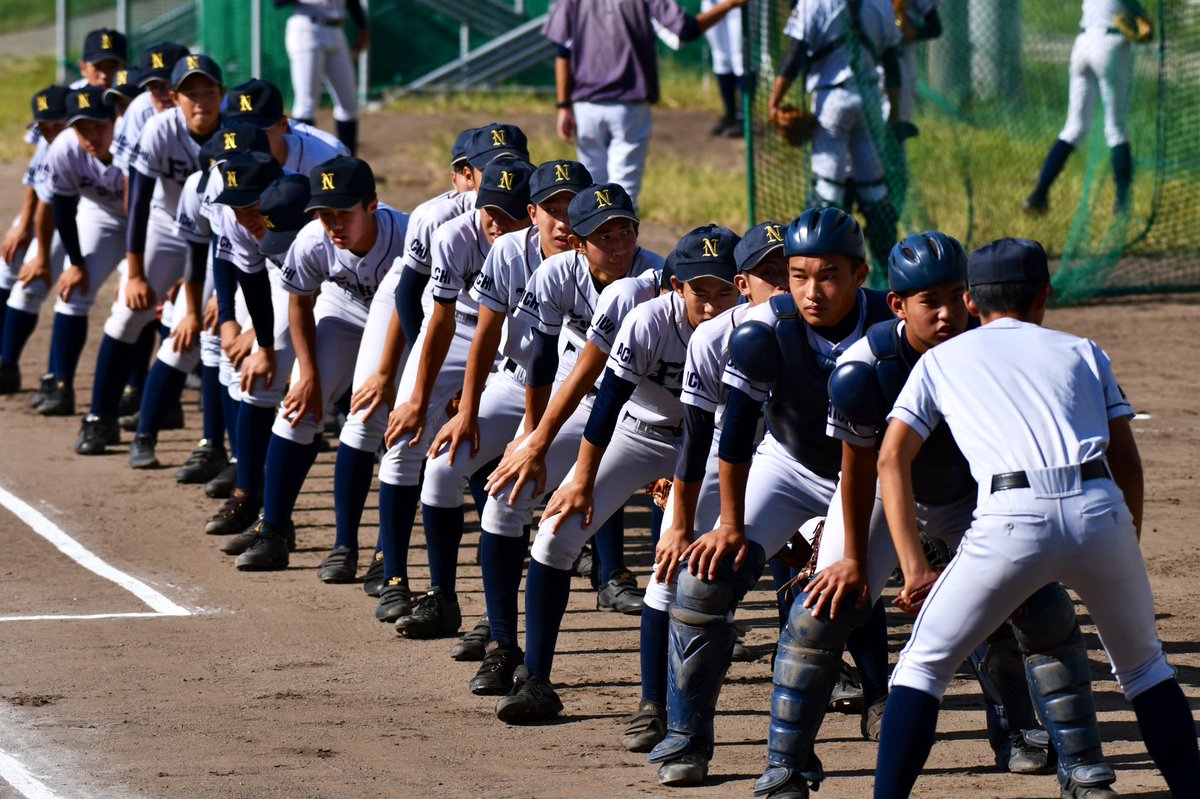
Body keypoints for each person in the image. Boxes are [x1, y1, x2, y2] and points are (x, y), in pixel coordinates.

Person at [872, 237, 1199, 798]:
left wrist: (913, 566)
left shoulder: (940, 360)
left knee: (922, 669)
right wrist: (1122, 545)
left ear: (971, 302)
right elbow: (1127, 463)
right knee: (1145, 669)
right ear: (1045, 294)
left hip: (1011, 516)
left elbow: (890, 457)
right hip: (1101, 507)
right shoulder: (1083, 350)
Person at [648, 206, 894, 787]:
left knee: (821, 613)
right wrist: (729, 524)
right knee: (705, 576)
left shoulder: (892, 320)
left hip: (873, 481)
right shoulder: (764, 329)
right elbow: (732, 436)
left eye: (829, 275)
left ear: (860, 275)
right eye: (799, 274)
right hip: (789, 464)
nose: (811, 290)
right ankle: (686, 737)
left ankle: (787, 765)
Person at [496, 226, 742, 727]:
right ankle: (536, 679)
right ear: (676, 286)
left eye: (724, 290)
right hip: (637, 431)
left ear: (740, 285)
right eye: (700, 291)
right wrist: (580, 477)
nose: (713, 305)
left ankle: (657, 705)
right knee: (555, 532)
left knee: (672, 570)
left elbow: (735, 427)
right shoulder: (646, 314)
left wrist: (686, 484)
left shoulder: (747, 327)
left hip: (710, 447)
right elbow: (605, 401)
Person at [472, 183, 665, 697]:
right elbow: (541, 360)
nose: (618, 243)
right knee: (504, 501)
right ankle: (502, 645)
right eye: (603, 235)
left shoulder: (655, 278)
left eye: (624, 231)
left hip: (642, 410)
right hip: (575, 402)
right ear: (579, 242)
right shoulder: (557, 273)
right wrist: (533, 439)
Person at [406, 159, 591, 639]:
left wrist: (532, 435)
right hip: (512, 382)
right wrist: (467, 409)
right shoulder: (509, 251)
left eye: (575, 208)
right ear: (533, 213)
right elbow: (484, 337)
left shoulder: (607, 261)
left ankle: (500, 625)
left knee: (511, 495)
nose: (564, 220)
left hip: (575, 398)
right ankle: (442, 598)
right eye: (553, 208)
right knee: (444, 465)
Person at [626, 221, 788, 753]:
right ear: (748, 283)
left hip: (794, 457)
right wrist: (678, 519)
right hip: (724, 449)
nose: (784, 283)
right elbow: (699, 437)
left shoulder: (817, 324)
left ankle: (865, 690)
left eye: (790, 270)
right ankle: (657, 706)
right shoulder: (714, 337)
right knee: (669, 574)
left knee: (826, 566)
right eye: (770, 273)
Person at [223, 156, 407, 572]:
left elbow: (423, 310)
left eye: (344, 212)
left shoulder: (409, 234)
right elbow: (300, 302)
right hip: (342, 312)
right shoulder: (312, 240)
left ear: (372, 204)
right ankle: (273, 529)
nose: (334, 224)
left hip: (403, 322)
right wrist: (306, 375)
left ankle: (375, 550)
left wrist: (390, 374)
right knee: (295, 412)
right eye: (326, 214)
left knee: (370, 420)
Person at [371, 158, 534, 623]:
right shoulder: (454, 234)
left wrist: (474, 397)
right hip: (461, 332)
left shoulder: (542, 246)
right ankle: (396, 579)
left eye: (509, 215)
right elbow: (438, 321)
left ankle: (607, 571)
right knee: (404, 441)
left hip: (516, 344)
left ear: (532, 211)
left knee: (492, 464)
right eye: (490, 212)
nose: (496, 223)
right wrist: (421, 401)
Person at [74, 54, 225, 456]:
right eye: (190, 94)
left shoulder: (236, 133)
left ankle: (202, 441)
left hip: (217, 238)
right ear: (175, 98)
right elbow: (138, 202)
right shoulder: (161, 128)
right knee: (127, 313)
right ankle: (98, 418)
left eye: (207, 92)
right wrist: (135, 273)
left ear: (221, 95)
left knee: (194, 330)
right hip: (165, 224)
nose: (200, 102)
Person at [543, 0, 748, 209]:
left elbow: (562, 52)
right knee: (623, 196)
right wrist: (730, 4)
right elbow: (686, 30)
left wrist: (563, 106)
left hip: (586, 106)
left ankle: (591, 237)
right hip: (629, 106)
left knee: (589, 193)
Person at [11, 87, 127, 419]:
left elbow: (148, 207)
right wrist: (71, 263)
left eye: (98, 124)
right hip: (102, 214)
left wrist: (133, 269)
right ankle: (62, 387)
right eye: (82, 127)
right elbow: (59, 206)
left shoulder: (131, 141)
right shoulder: (63, 148)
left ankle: (137, 392)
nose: (92, 134)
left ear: (114, 120)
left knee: (138, 304)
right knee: (72, 291)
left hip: (153, 221)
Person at [767, 0, 903, 270]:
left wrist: (774, 100)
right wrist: (895, 114)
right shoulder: (882, 4)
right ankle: (891, 268)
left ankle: (824, 262)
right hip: (869, 101)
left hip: (832, 100)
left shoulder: (814, 3)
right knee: (874, 189)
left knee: (827, 190)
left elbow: (794, 56)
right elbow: (892, 65)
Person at [1022, 1, 1152, 217]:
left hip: (1083, 43)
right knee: (1116, 128)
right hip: (1110, 43)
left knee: (1074, 128)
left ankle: (1038, 194)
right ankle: (1122, 205)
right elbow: (1134, 8)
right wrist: (1143, 15)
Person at [0, 86, 69, 396]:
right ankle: (5, 364)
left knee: (52, 290)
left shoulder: (84, 133)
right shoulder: (48, 140)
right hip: (51, 213)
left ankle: (57, 379)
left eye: (58, 124)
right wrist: (23, 226)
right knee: (9, 264)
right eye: (45, 126)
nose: (52, 131)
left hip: (88, 217)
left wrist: (41, 256)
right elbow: (38, 185)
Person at [276, 0, 369, 154]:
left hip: (337, 30)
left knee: (349, 104)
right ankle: (304, 164)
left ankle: (349, 166)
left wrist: (364, 28)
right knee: (306, 103)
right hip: (306, 28)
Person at [701, 0, 745, 137]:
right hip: (712, 2)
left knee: (740, 56)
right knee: (721, 57)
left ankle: (743, 117)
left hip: (739, 5)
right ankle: (730, 114)